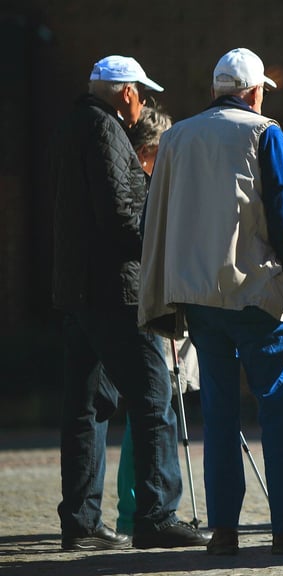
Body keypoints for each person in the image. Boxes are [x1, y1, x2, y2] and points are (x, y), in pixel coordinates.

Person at [139, 47, 283, 555]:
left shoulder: (177, 136)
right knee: (280, 410)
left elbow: (157, 214)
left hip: (200, 297)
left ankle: (224, 530)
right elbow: (281, 210)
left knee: (220, 414)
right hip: (257, 291)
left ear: (215, 90)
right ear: (253, 92)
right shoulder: (263, 131)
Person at [49, 54, 210, 552]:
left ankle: (81, 521)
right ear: (126, 93)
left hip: (76, 290)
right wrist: (161, 247)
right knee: (154, 397)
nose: (143, 103)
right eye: (141, 93)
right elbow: (124, 215)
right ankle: (156, 515)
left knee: (87, 407)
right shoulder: (108, 132)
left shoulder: (73, 124)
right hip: (115, 290)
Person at [116, 103, 176, 536]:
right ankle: (140, 510)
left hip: (148, 300)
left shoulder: (145, 183)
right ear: (147, 151)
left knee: (149, 404)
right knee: (153, 403)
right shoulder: (139, 186)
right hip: (142, 303)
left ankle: (132, 508)